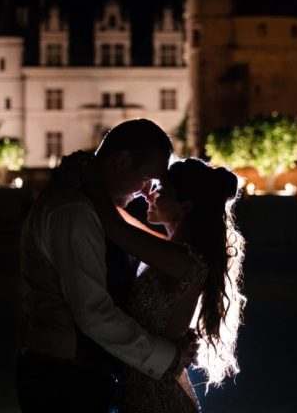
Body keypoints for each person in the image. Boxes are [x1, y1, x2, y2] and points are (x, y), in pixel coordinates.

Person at [16, 119, 196, 412]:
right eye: (147, 179)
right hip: (63, 378)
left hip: (78, 372)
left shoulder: (92, 208)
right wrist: (166, 356)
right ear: (122, 161)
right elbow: (92, 311)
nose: (145, 193)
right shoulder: (75, 211)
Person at [83, 158, 247, 413]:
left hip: (152, 393)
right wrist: (136, 192)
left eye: (162, 190)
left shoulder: (182, 260)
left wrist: (89, 176)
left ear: (185, 207)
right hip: (147, 380)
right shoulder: (171, 250)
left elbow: (114, 227)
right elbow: (121, 222)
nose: (151, 196)